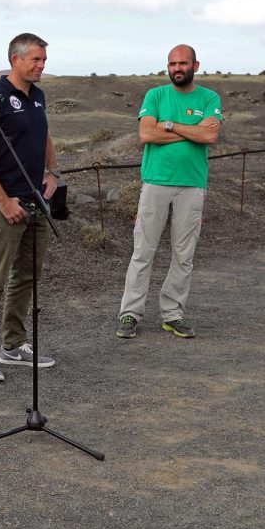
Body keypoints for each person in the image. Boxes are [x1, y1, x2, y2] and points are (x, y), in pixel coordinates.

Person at [0, 33, 60, 382]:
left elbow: (45, 134)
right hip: (6, 203)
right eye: (36, 59)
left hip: (37, 200)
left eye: (44, 60)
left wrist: (52, 171)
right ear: (15, 59)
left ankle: (13, 345)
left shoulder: (38, 96)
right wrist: (3, 200)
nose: (41, 66)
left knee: (27, 276)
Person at [115, 44, 222, 339]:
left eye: (183, 63)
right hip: (156, 182)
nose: (177, 68)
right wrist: (192, 129)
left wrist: (171, 125)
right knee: (143, 251)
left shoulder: (209, 98)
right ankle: (130, 314)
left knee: (183, 254)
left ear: (195, 66)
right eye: (172, 63)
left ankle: (173, 314)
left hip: (192, 184)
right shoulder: (156, 95)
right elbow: (147, 134)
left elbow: (210, 134)